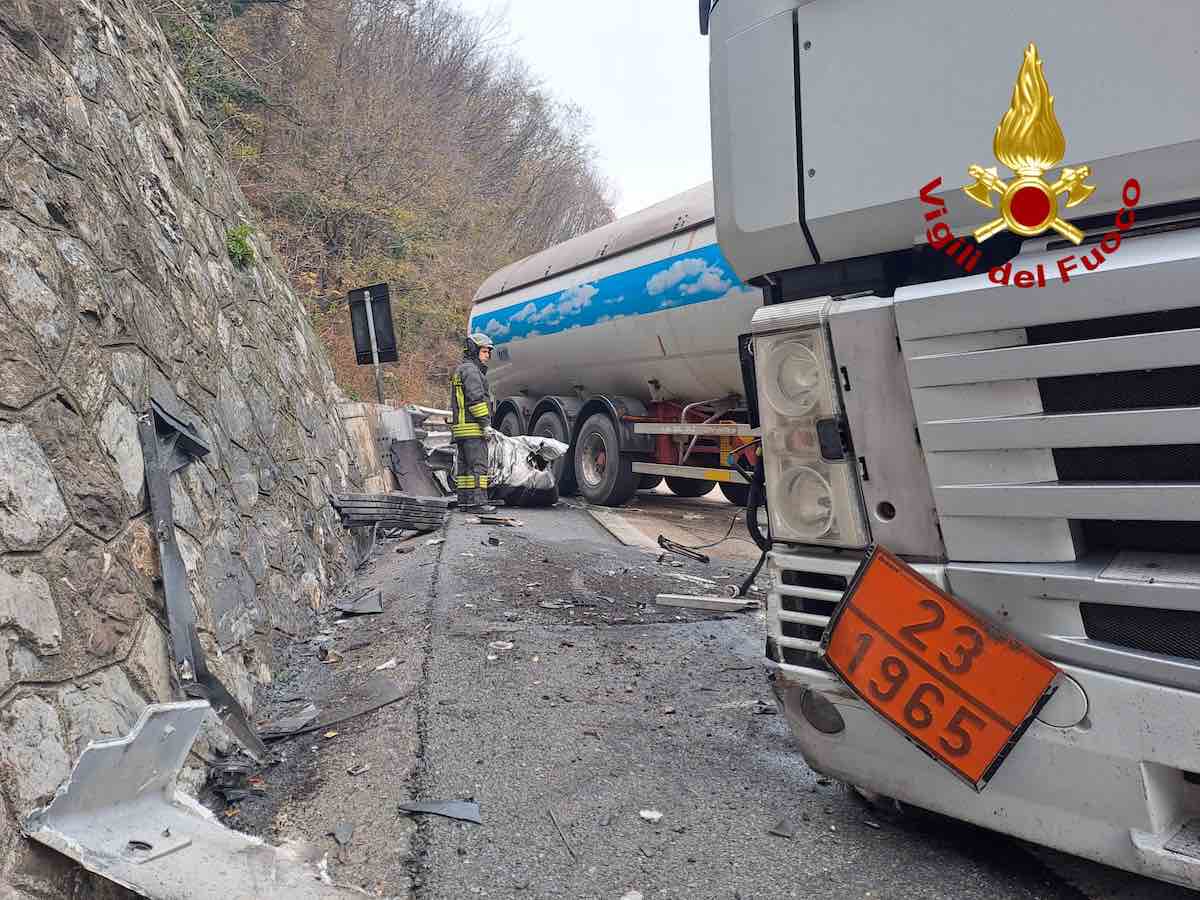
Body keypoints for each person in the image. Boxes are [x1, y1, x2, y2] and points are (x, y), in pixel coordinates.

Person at [450, 333, 496, 512]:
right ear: (473, 350)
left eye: (489, 352)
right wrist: (485, 424)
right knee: (478, 466)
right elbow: (476, 400)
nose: (487, 356)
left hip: (461, 430)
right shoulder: (472, 371)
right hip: (473, 428)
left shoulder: (461, 370)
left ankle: (465, 501)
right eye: (484, 351)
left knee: (464, 469)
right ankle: (478, 503)